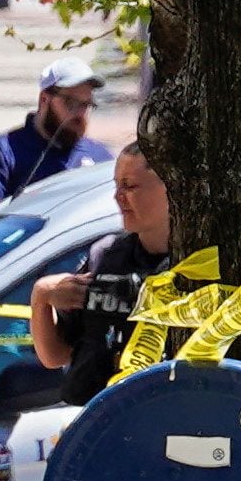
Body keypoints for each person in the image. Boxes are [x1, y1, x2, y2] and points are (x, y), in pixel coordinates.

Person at [30, 143, 172, 405]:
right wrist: (42, 296)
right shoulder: (105, 256)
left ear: (169, 188)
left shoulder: (198, 266)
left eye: (130, 186)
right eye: (117, 185)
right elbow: (55, 355)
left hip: (162, 415)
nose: (118, 197)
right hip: (98, 416)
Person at [0, 57, 113, 215]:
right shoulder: (2, 150)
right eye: (70, 102)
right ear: (44, 99)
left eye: (86, 104)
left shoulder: (100, 158)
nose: (80, 113)